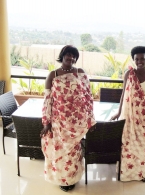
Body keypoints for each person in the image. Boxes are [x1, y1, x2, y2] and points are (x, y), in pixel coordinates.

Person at [40, 45, 96, 192]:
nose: (70, 58)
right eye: (68, 55)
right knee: (61, 153)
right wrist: (46, 123)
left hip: (76, 123)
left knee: (73, 153)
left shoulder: (80, 73)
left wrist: (90, 118)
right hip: (59, 122)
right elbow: (47, 100)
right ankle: (61, 180)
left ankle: (72, 179)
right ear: (62, 55)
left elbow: (88, 97)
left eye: (73, 56)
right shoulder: (53, 75)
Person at [111, 46, 145, 182]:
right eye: (136, 59)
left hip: (144, 118)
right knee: (128, 144)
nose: (139, 61)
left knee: (142, 146)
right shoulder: (128, 74)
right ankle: (127, 174)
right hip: (129, 117)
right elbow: (123, 95)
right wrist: (119, 112)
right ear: (133, 59)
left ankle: (142, 173)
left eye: (142, 58)